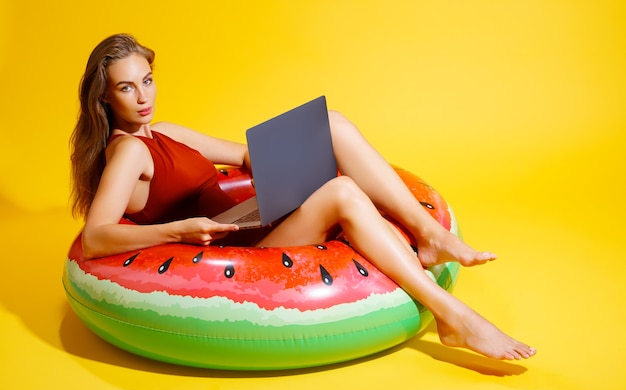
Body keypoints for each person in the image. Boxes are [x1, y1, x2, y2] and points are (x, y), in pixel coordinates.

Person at [70, 33, 536, 361]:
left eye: (147, 80)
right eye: (126, 87)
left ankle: (429, 233)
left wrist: (299, 146)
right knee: (343, 193)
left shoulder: (165, 132)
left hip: (248, 219)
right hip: (233, 247)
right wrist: (181, 232)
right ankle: (455, 319)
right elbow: (95, 237)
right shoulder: (128, 151)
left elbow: (243, 155)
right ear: (105, 98)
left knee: (331, 122)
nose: (142, 96)